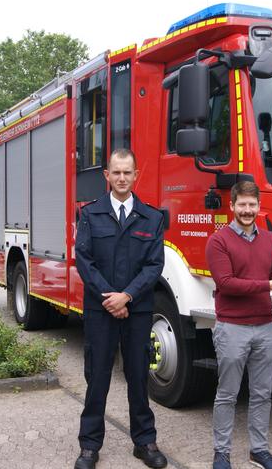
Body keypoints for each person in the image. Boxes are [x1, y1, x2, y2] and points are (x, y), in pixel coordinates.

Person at [74, 148, 167, 469]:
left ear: (136, 175)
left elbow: (154, 265)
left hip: (137, 310)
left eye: (128, 172)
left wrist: (126, 296)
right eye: (116, 172)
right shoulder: (90, 214)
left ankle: (144, 442)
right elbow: (84, 261)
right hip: (101, 310)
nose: (122, 178)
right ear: (107, 176)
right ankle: (89, 445)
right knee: (96, 375)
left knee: (138, 376)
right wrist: (109, 298)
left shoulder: (152, 218)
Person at [205, 181, 272, 469]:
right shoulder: (218, 241)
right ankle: (221, 452)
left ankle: (259, 450)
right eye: (242, 205)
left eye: (252, 205)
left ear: (259, 207)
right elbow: (226, 283)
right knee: (228, 394)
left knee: (262, 393)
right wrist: (268, 285)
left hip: (265, 326)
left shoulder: (269, 239)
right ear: (231, 206)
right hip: (232, 327)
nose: (247, 210)